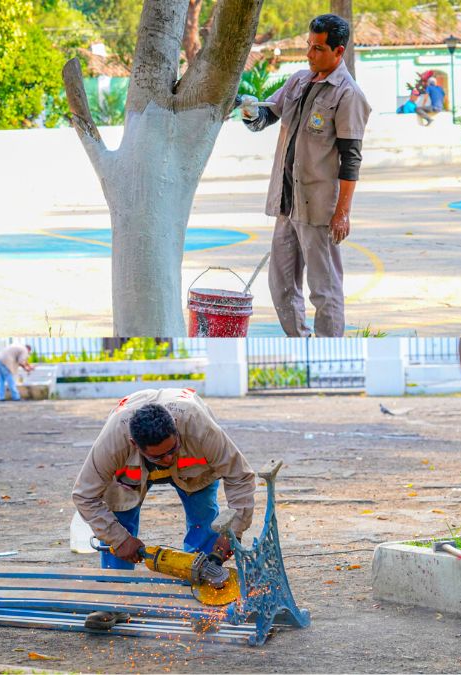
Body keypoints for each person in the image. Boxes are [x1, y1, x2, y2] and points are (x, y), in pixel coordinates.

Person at [71, 388, 256, 630]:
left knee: (204, 521)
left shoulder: (199, 427)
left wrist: (233, 531)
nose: (169, 459)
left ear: (176, 431)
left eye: (173, 449)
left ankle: (202, 597)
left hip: (194, 475)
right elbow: (84, 495)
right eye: (160, 456)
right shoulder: (113, 441)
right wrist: (119, 538)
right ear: (134, 444)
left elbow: (240, 475)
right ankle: (114, 599)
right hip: (129, 476)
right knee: (119, 516)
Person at [239, 14, 370, 338]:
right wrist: (249, 111)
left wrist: (342, 213)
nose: (310, 55)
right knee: (281, 286)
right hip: (287, 204)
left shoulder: (347, 95)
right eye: (308, 46)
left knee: (323, 290)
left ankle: (330, 350)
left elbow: (351, 160)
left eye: (318, 49)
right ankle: (301, 342)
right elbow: (265, 118)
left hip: (318, 209)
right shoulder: (298, 81)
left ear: (338, 52)